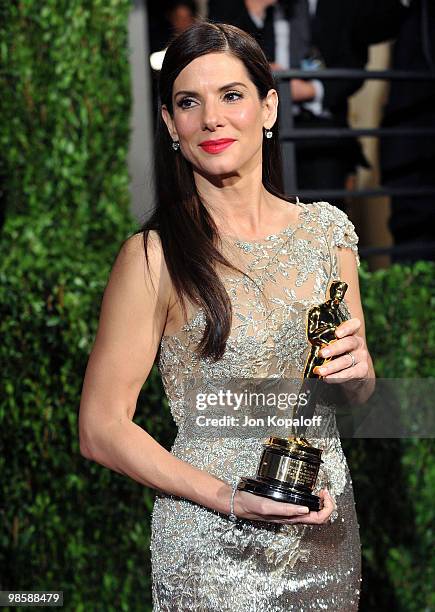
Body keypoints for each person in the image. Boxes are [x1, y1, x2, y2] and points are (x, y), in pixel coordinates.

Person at [79, 20, 375, 610]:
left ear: (268, 108)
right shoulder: (153, 256)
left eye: (231, 96)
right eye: (189, 102)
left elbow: (351, 402)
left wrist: (361, 374)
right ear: (170, 124)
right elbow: (101, 428)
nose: (211, 119)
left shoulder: (328, 235)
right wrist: (230, 498)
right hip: (210, 553)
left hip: (322, 538)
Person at [208, 0, 371, 209]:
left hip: (321, 131)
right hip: (255, 129)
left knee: (322, 216)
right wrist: (255, 9)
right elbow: (218, 55)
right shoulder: (236, 6)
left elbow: (353, 62)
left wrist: (312, 90)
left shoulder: (338, 7)